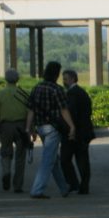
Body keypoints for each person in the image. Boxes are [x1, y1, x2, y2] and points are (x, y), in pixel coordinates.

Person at [25, 61, 76, 199]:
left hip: (40, 127)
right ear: (56, 74)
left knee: (53, 158)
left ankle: (64, 188)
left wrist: (28, 128)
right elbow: (64, 110)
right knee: (48, 160)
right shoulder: (56, 89)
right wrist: (71, 126)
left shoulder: (37, 88)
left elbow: (31, 110)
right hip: (53, 129)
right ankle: (37, 190)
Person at [0, 68, 30, 193]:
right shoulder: (23, 93)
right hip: (21, 126)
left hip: (6, 126)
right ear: (18, 79)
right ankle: (18, 185)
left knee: (5, 152)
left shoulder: (1, 94)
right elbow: (30, 112)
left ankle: (6, 172)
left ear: (6, 79)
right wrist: (32, 130)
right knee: (20, 156)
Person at [60, 70, 95, 195]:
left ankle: (73, 183)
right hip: (85, 131)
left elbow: (71, 113)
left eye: (66, 79)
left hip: (74, 132)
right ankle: (84, 186)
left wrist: (70, 128)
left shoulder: (72, 94)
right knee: (82, 160)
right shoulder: (82, 92)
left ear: (73, 79)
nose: (64, 82)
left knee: (65, 159)